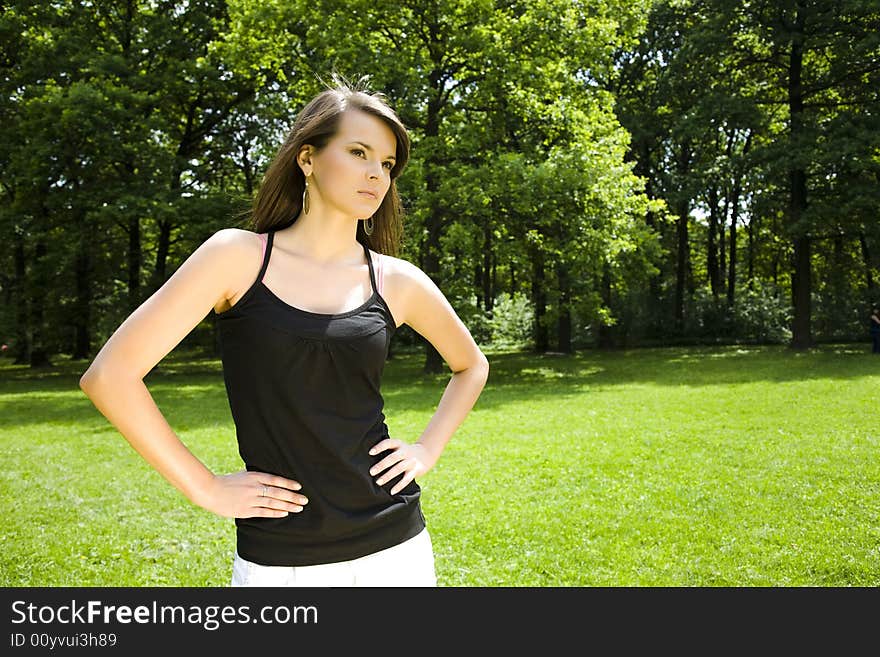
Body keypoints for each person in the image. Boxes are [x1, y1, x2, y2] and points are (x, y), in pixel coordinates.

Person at [79, 74, 490, 587]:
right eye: (359, 152)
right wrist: (203, 486)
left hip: (396, 548)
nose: (376, 175)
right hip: (280, 559)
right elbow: (109, 377)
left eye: (386, 164)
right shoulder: (236, 257)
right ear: (307, 158)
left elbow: (472, 365)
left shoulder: (395, 280)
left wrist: (426, 450)